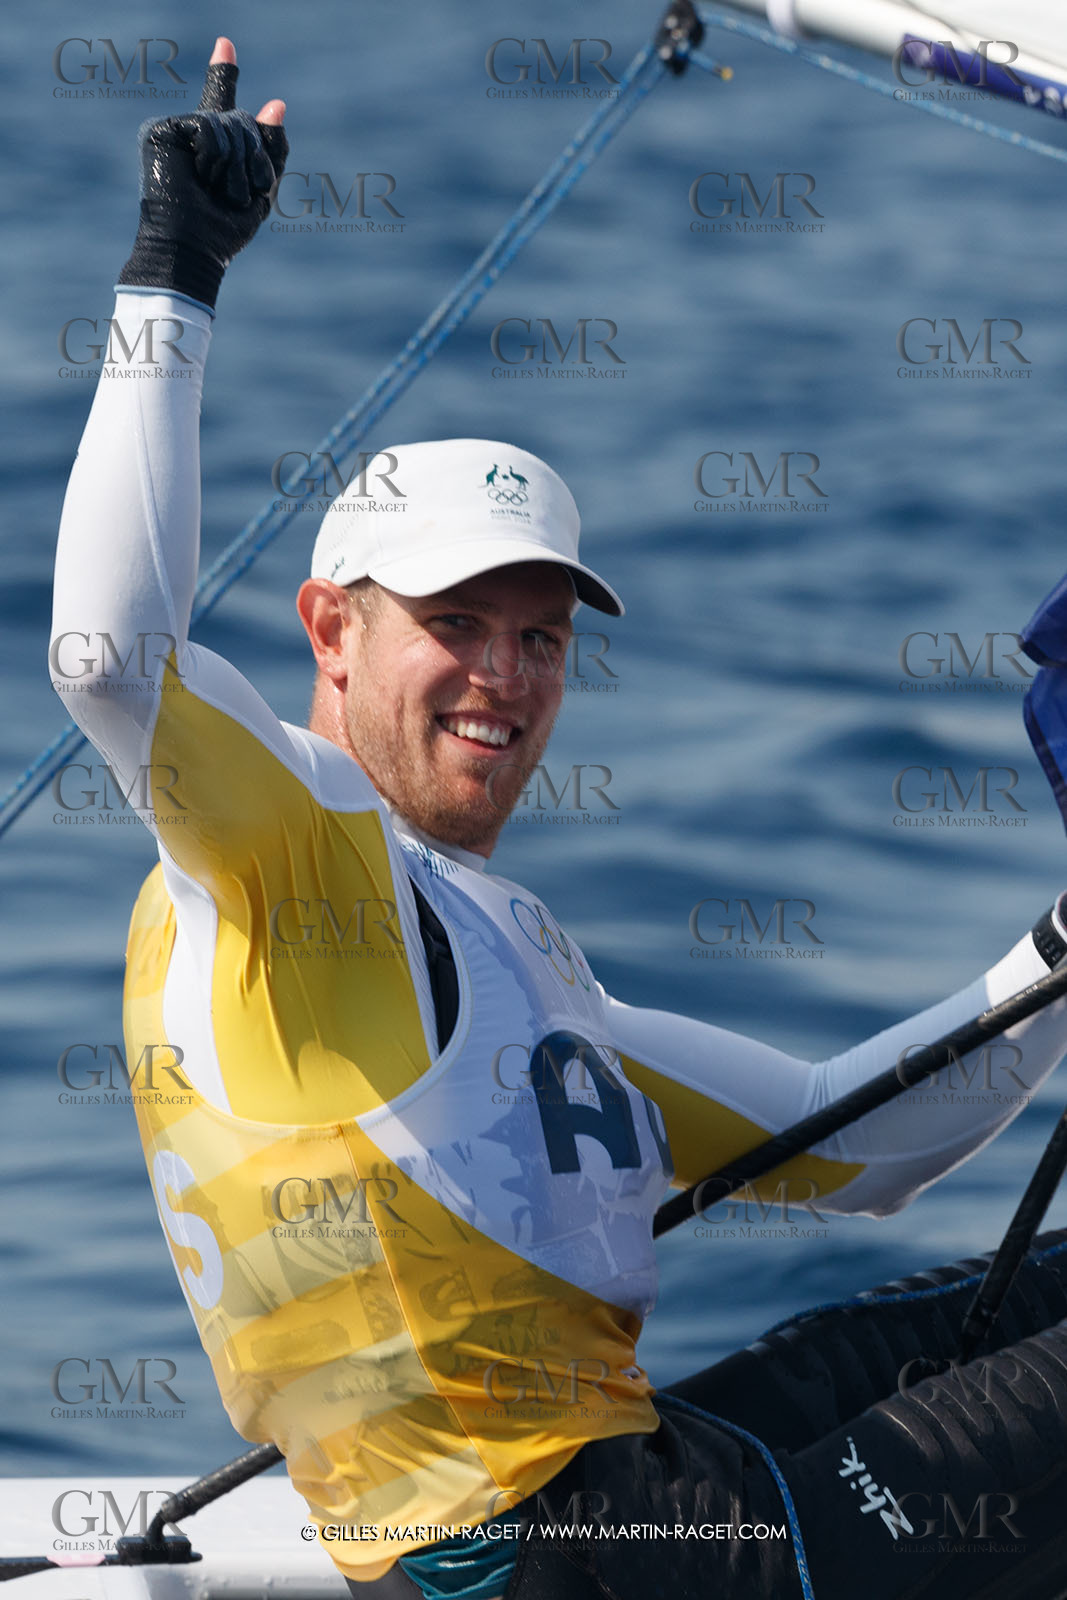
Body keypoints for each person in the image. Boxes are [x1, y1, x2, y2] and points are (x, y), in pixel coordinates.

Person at [50, 38, 1067, 1600]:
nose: (505, 680)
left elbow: (866, 1144)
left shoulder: (503, 960)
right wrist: (171, 276)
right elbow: (110, 655)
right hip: (588, 1567)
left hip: (641, 1501)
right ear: (330, 631)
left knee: (1003, 1295)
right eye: (457, 622)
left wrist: (1058, 948)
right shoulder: (291, 858)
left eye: (543, 638)